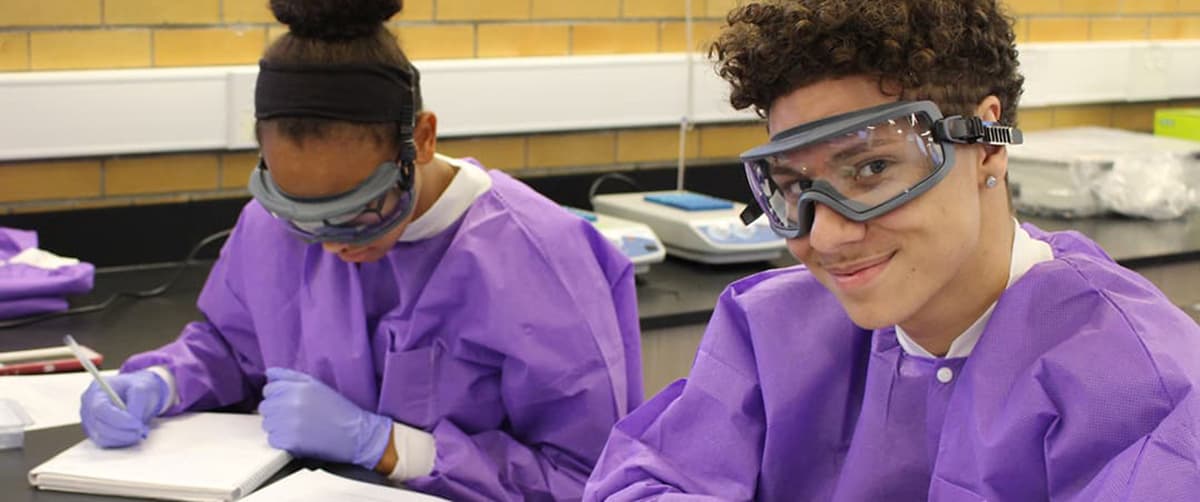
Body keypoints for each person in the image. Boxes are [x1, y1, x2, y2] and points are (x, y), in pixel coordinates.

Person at [584, 0, 1200, 500]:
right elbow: (646, 481)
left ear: (987, 144)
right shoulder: (772, 331)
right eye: (797, 187)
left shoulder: (1138, 386)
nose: (825, 235)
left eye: (872, 167)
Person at [78, 1, 643, 499]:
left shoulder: (534, 258)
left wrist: (393, 448)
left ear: (420, 141)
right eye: (299, 213)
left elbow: (585, 477)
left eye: (359, 209)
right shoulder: (271, 227)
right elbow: (234, 344)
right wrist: (164, 381)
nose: (330, 242)